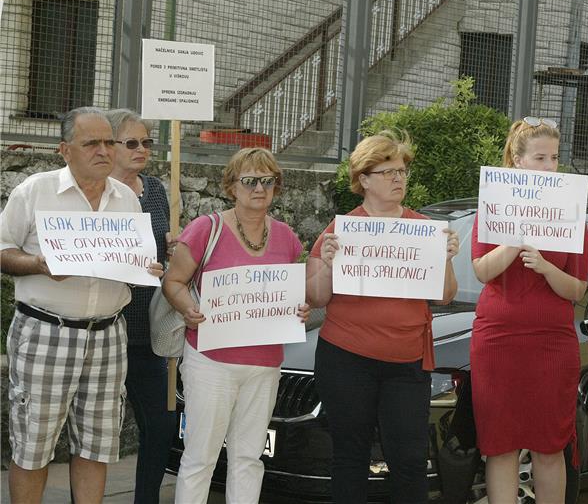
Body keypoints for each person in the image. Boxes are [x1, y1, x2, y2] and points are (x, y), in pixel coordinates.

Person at [0, 107, 163, 504]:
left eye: (109, 141)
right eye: (91, 143)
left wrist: (146, 267)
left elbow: (130, 261)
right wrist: (37, 264)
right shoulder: (35, 191)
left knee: (97, 444)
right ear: (65, 150)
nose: (104, 150)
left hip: (108, 335)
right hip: (45, 332)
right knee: (34, 445)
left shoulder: (125, 198)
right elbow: (2, 250)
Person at [306, 130, 460, 503]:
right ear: (364, 180)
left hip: (406, 362)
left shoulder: (423, 229)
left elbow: (444, 295)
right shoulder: (340, 229)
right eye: (388, 171)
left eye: (402, 172)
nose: (398, 179)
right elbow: (315, 296)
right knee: (349, 456)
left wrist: (446, 258)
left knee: (408, 459)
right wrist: (326, 264)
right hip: (346, 358)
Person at [162, 148, 311, 504]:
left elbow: (288, 292)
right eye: (249, 181)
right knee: (200, 458)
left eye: (268, 181)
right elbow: (173, 282)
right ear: (232, 186)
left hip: (264, 365)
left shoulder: (287, 237)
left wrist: (298, 308)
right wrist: (189, 308)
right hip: (211, 361)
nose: (259, 188)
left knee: (249, 458)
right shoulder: (205, 229)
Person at [470, 117, 588, 503]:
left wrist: (547, 267)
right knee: (500, 445)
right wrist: (514, 240)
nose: (549, 166)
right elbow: (481, 271)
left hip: (552, 343)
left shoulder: (572, 212)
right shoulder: (493, 208)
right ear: (518, 161)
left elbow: (578, 289)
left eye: (554, 157)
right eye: (539, 157)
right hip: (497, 340)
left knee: (549, 445)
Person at [106, 108, 176, 504]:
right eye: (131, 142)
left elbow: (164, 248)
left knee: (161, 423)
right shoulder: (94, 194)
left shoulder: (154, 189)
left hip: (149, 329)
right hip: (105, 327)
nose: (142, 149)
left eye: (147, 142)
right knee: (95, 426)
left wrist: (171, 255)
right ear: (109, 146)